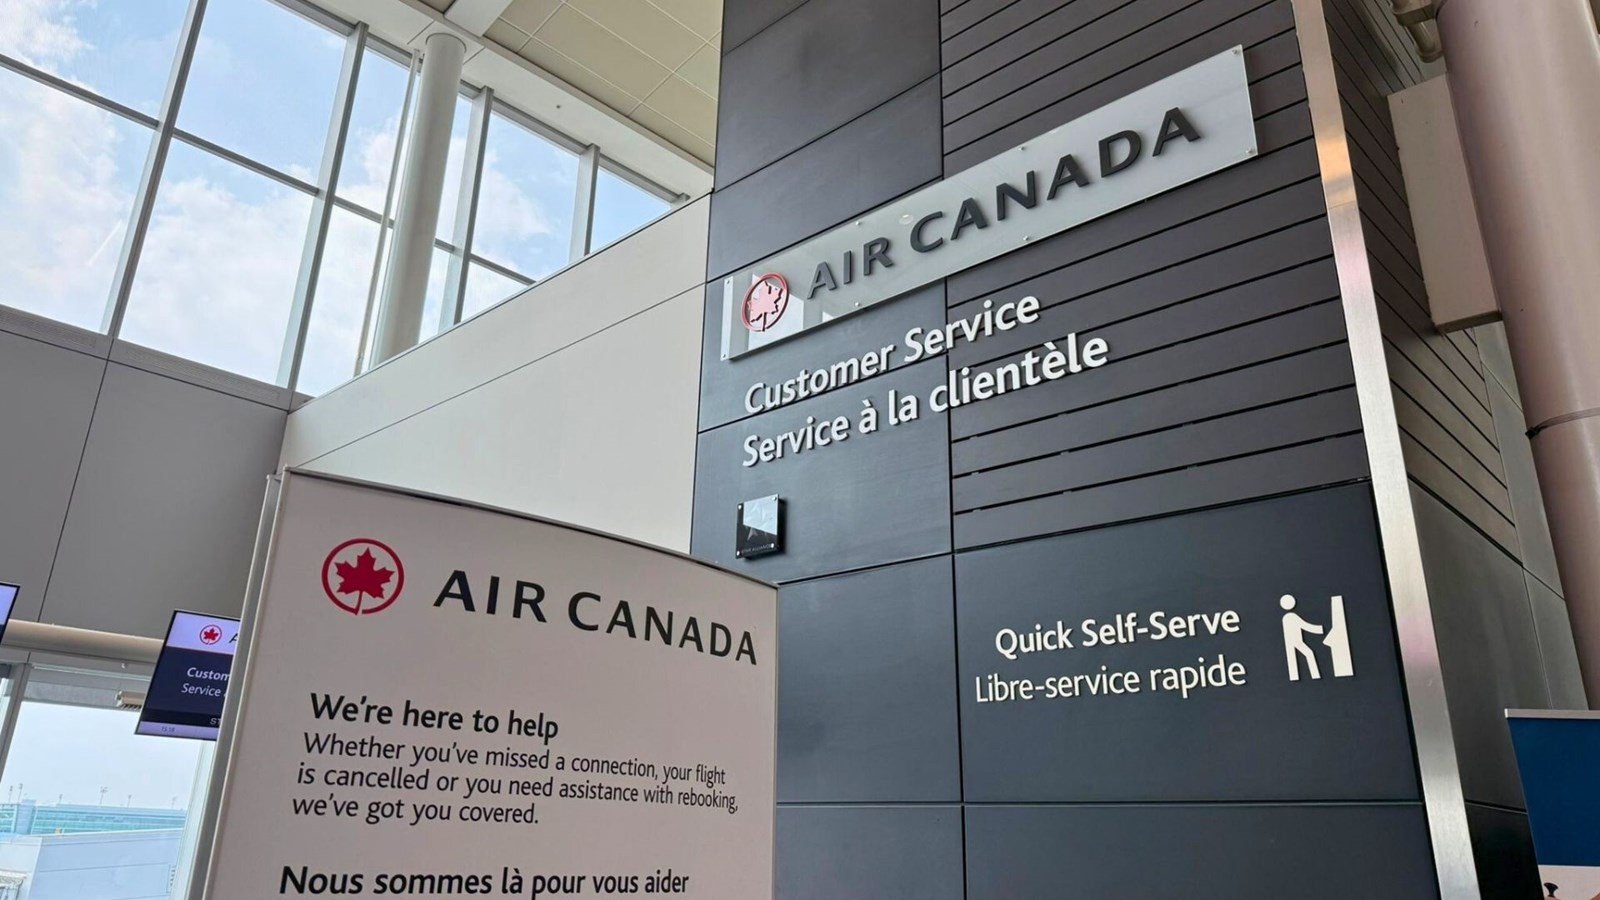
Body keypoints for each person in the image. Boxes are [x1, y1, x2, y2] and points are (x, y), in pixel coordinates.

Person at [1280, 595, 1324, 681]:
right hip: (1295, 641)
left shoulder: (1287, 617)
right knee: (1309, 654)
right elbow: (1304, 625)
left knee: (1294, 659)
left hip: (1293, 642)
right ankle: (1314, 673)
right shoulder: (1291, 617)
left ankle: (1296, 675)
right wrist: (1318, 629)